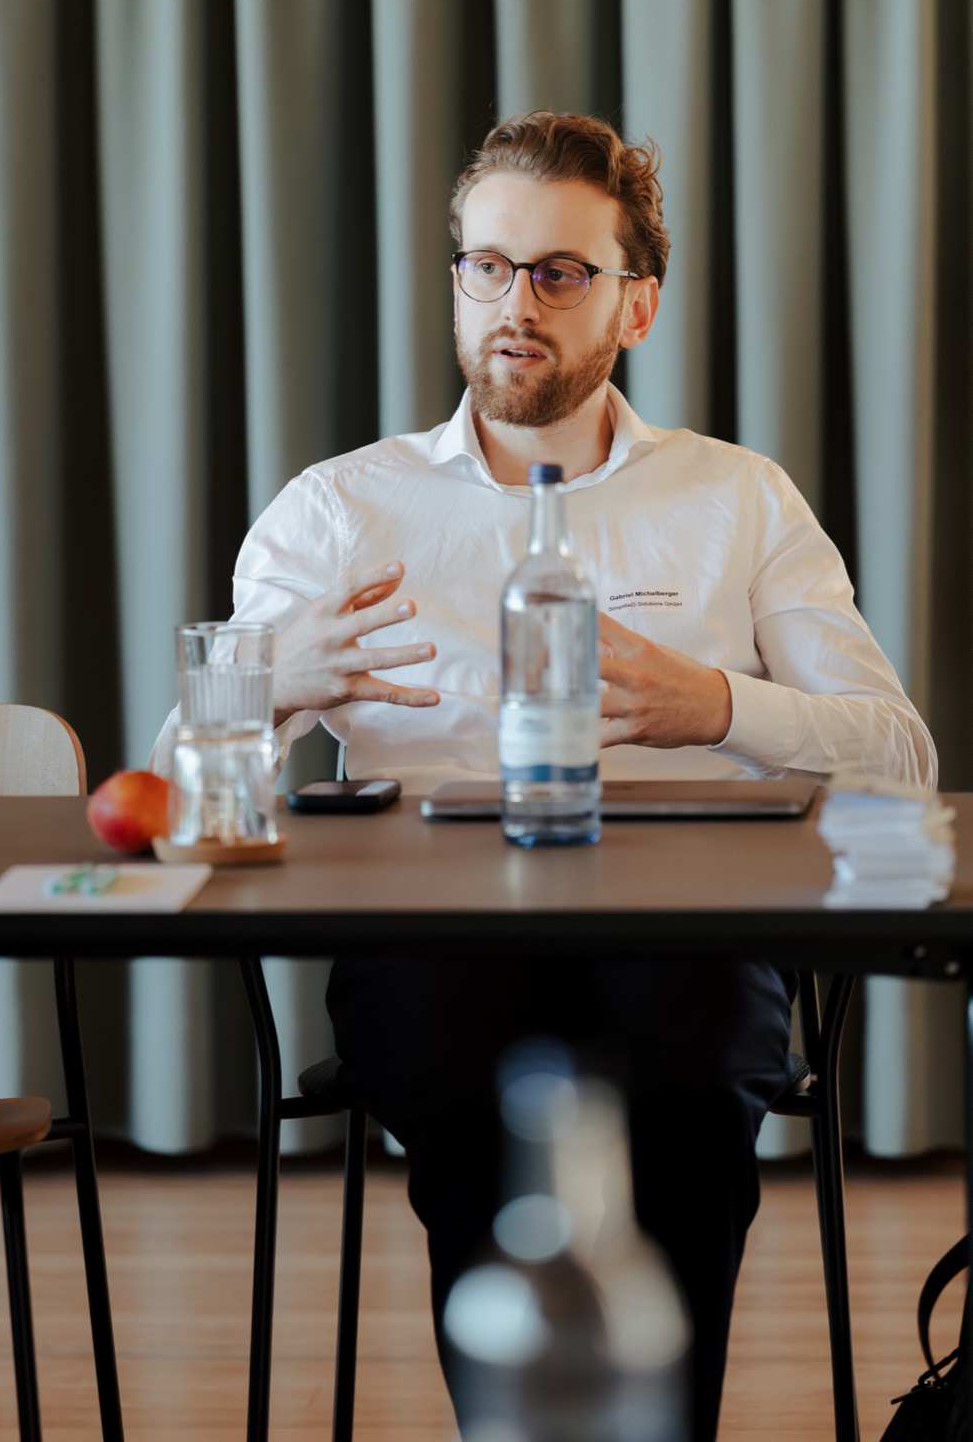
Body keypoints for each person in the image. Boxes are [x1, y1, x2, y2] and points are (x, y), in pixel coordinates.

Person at [154, 111, 935, 1440]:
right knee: (475, 1100)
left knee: (689, 1095)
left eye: (558, 273)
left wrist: (713, 706)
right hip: (426, 932)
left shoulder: (736, 498)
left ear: (634, 302)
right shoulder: (340, 508)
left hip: (689, 930)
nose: (513, 303)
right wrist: (264, 688)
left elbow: (901, 757)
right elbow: (170, 801)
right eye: (485, 266)